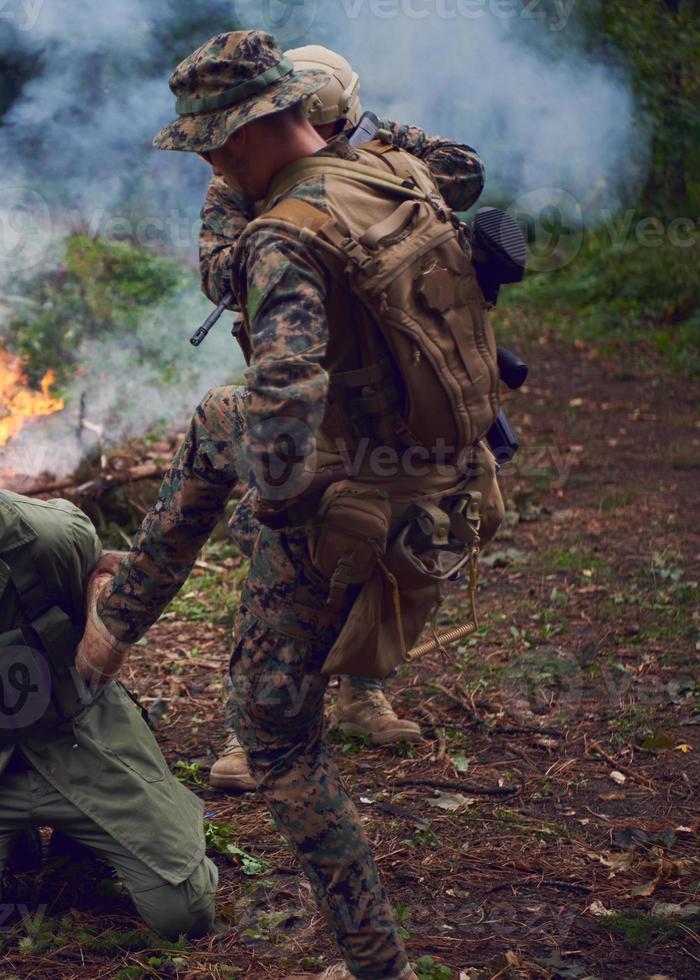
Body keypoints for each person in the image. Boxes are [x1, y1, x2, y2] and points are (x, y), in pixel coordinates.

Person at [79, 30, 508, 979]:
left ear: (237, 136)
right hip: (446, 483)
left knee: (272, 734)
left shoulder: (284, 236)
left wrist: (279, 516)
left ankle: (375, 965)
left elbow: (283, 391)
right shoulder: (393, 168)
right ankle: (118, 626)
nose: (204, 157)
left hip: (361, 505)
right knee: (215, 423)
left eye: (207, 141)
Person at [195, 43, 487, 790]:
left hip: (394, 383)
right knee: (291, 550)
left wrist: (372, 138)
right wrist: (266, 211)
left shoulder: (378, 160)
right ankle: (253, 728)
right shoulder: (252, 189)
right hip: (307, 385)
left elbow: (465, 175)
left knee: (394, 546)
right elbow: (218, 275)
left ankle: (363, 694)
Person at [0, 468, 216, 953]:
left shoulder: (49, 537)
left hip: (79, 742)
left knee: (184, 913)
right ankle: (11, 836)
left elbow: (109, 609)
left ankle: (119, 823)